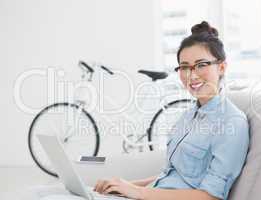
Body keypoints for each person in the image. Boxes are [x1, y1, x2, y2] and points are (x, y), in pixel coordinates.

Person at [94, 21, 249, 200]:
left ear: (221, 67)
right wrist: (123, 186)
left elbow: (210, 196)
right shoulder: (190, 114)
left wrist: (137, 192)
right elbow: (172, 176)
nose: (191, 75)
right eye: (184, 67)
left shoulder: (232, 122)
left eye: (201, 65)